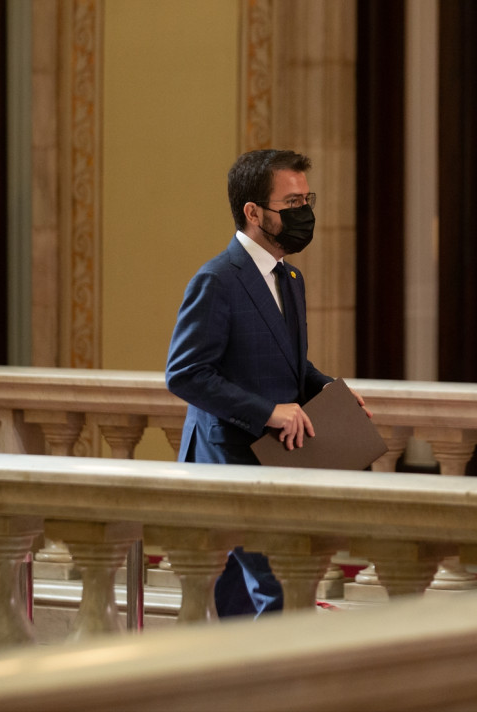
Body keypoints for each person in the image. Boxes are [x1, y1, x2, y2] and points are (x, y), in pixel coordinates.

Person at [165, 148, 368, 618]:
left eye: (306, 200)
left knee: (243, 603)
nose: (304, 213)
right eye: (291, 204)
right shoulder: (216, 279)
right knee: (279, 594)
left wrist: (329, 391)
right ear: (253, 212)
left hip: (274, 459)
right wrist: (268, 411)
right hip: (229, 458)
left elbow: (286, 361)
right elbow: (186, 373)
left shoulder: (290, 276)